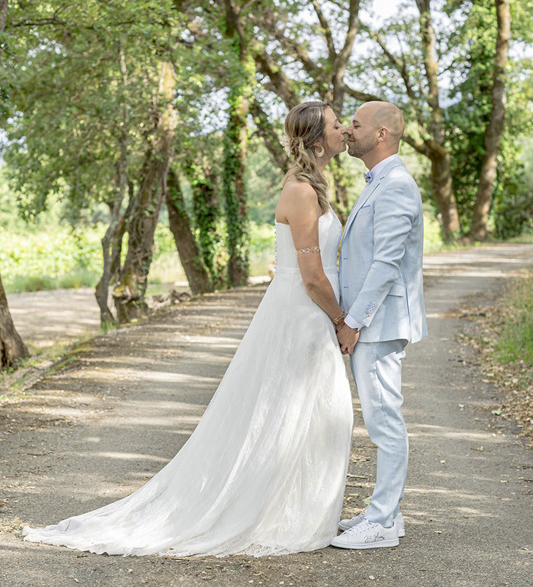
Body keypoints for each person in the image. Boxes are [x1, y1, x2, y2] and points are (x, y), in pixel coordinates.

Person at [23, 101, 354, 558]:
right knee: (292, 410)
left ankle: (299, 506)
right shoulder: (300, 192)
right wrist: (342, 321)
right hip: (303, 316)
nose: (345, 130)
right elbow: (313, 277)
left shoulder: (312, 187)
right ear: (317, 141)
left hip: (303, 311)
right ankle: (274, 512)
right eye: (338, 125)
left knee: (308, 412)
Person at [330, 101, 427, 550]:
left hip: (380, 324)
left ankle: (384, 521)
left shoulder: (397, 186)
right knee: (379, 418)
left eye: (355, 124)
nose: (347, 131)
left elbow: (387, 265)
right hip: (373, 323)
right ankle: (385, 511)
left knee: (384, 418)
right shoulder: (380, 182)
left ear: (382, 134)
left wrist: (352, 322)